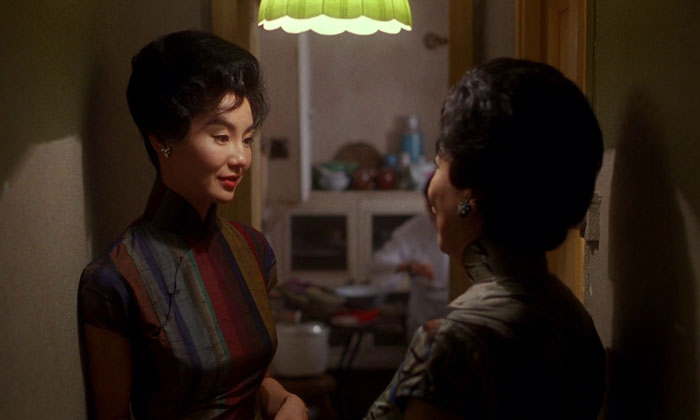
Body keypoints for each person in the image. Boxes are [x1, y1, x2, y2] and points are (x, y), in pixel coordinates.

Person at [78, 30, 307, 420]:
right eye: (221, 136)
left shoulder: (252, 249)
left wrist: (288, 401)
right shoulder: (115, 280)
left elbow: (252, 380)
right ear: (162, 138)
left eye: (247, 139)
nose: (241, 158)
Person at [364, 58, 606, 420]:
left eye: (439, 165)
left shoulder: (455, 341)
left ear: (469, 192)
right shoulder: (573, 317)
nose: (431, 190)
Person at [369, 175, 449, 341]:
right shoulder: (415, 229)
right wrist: (409, 266)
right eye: (430, 205)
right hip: (423, 316)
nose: (434, 211)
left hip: (461, 314)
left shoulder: (469, 226)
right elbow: (379, 262)